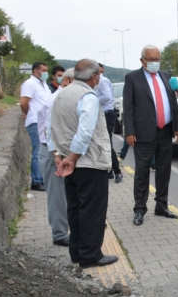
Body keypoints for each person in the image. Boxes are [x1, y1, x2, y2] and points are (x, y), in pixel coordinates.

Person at [50, 59, 117, 269]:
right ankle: (90, 255)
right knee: (92, 211)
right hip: (88, 162)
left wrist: (59, 154)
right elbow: (85, 131)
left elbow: (51, 127)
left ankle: (77, 251)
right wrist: (73, 157)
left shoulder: (62, 94)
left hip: (68, 161)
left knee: (76, 208)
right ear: (95, 76)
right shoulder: (88, 96)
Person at [123, 45, 178, 226]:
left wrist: (177, 126)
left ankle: (161, 206)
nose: (154, 62)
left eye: (157, 59)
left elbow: (173, 103)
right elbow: (129, 107)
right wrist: (130, 131)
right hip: (143, 134)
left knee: (164, 171)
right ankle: (140, 209)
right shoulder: (133, 78)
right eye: (151, 59)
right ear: (142, 60)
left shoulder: (166, 77)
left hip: (165, 131)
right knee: (142, 172)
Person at [37, 68, 74, 247]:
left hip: (62, 152)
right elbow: (48, 131)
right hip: (53, 153)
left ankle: (72, 227)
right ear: (66, 81)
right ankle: (59, 234)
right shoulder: (56, 101)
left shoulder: (66, 99)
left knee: (67, 193)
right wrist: (57, 155)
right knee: (57, 196)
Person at [20, 61, 50, 191]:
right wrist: (28, 113)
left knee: (43, 151)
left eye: (46, 70)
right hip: (35, 121)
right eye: (43, 70)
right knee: (37, 151)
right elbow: (23, 102)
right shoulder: (30, 84)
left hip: (44, 122)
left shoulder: (43, 84)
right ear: (35, 71)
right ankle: (36, 181)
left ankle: (42, 178)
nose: (45, 73)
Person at [97, 63, 123, 183]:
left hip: (106, 114)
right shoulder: (94, 82)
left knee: (107, 143)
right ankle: (109, 170)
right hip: (99, 114)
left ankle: (117, 171)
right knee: (101, 143)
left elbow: (107, 97)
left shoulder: (102, 81)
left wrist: (92, 100)